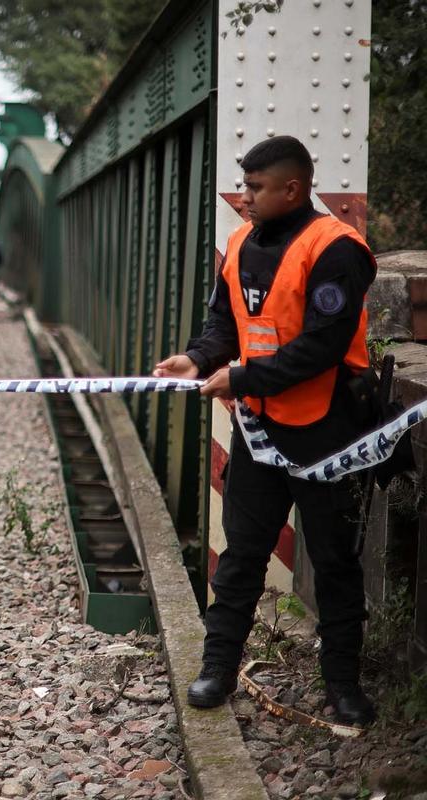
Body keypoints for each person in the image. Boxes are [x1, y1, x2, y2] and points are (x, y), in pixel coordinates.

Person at [154, 136, 378, 726]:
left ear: (292, 189)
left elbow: (324, 346)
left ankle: (343, 686)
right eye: (245, 185)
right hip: (259, 429)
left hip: (329, 428)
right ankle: (217, 670)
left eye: (255, 188)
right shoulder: (238, 243)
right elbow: (226, 321)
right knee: (241, 556)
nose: (244, 197)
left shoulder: (336, 249)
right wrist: (199, 360)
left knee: (333, 560)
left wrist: (241, 376)